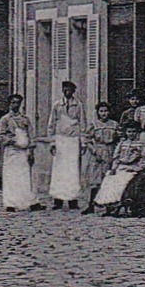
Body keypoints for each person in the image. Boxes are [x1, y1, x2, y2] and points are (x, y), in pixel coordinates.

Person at [93, 119, 145, 213]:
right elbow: (116, 157)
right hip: (121, 167)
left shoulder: (142, 144)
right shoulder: (122, 143)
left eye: (133, 132)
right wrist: (113, 168)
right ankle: (110, 204)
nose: (131, 134)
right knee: (109, 179)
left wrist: (135, 168)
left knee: (123, 180)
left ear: (137, 132)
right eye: (129, 132)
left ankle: (120, 203)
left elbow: (144, 159)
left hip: (133, 168)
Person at [0, 94, 40, 212]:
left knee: (26, 176)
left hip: (24, 151)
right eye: (13, 103)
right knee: (12, 176)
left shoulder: (25, 119)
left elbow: (31, 134)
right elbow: (1, 135)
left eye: (18, 103)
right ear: (9, 104)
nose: (16, 105)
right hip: (12, 151)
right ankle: (11, 203)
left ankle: (30, 201)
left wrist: (30, 149)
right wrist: (12, 141)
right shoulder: (5, 119)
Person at [47, 80, 85, 210]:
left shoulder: (78, 105)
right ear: (62, 91)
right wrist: (52, 142)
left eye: (70, 90)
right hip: (60, 140)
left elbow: (82, 124)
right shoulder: (57, 105)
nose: (67, 92)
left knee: (72, 171)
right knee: (59, 171)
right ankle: (58, 200)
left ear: (73, 92)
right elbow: (51, 125)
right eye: (65, 90)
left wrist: (83, 142)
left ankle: (72, 200)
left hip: (73, 140)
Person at [80, 101, 120, 212]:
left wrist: (116, 152)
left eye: (106, 111)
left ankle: (108, 206)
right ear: (98, 112)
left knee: (108, 179)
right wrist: (94, 151)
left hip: (110, 151)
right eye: (101, 111)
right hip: (98, 152)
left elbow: (120, 138)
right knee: (95, 180)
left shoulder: (114, 124)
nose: (104, 113)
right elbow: (86, 139)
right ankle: (91, 205)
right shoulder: (94, 124)